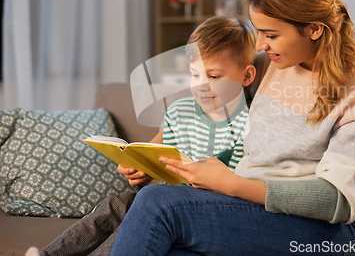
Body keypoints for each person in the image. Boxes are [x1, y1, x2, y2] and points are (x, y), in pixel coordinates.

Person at [109, 0, 355, 256]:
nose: (260, 45)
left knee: (157, 203)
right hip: (248, 209)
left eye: (271, 34)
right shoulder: (274, 63)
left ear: (314, 29)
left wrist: (231, 185)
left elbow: (337, 200)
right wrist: (150, 161)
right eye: (259, 32)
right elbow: (205, 95)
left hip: (323, 231)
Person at [32, 16, 258, 256]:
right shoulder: (179, 111)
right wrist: (140, 168)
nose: (202, 85)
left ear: (246, 76)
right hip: (168, 200)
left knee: (137, 220)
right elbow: (156, 152)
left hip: (205, 211)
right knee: (115, 204)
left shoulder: (250, 124)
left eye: (213, 76)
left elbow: (238, 189)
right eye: (195, 75)